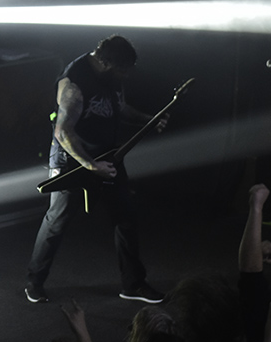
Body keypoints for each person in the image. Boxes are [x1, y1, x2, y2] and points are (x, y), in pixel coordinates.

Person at [26, 34, 166, 305]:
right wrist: (90, 165)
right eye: (122, 70)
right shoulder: (75, 84)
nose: (125, 76)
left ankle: (132, 284)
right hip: (72, 159)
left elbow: (119, 107)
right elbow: (63, 131)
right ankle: (34, 281)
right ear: (104, 61)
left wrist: (148, 120)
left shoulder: (112, 77)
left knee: (125, 216)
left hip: (107, 157)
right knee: (57, 221)